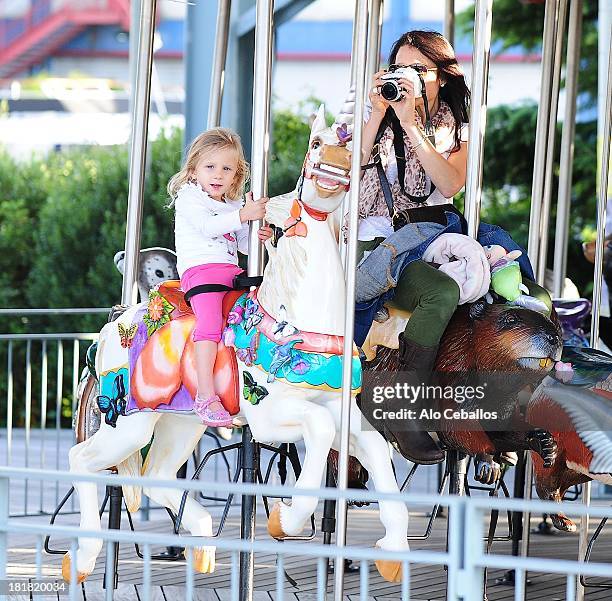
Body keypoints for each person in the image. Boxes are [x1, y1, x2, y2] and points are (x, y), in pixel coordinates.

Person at [357, 31, 549, 463]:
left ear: (442, 77)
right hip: (380, 240)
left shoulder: (454, 126)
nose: (404, 79)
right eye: (398, 68)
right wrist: (376, 115)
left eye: (418, 71)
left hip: (437, 233)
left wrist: (411, 125)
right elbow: (342, 180)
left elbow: (449, 183)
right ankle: (401, 406)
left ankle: (509, 403)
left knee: (528, 294)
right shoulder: (364, 115)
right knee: (439, 292)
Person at [168, 128, 272, 427]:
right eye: (210, 167)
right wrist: (243, 216)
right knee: (211, 323)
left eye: (226, 168)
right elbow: (207, 227)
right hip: (201, 272)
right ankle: (204, 394)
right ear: (194, 169)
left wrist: (258, 236)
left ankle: (246, 383)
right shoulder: (189, 198)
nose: (218, 174)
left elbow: (239, 244)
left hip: (232, 273)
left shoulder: (231, 205)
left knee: (259, 315)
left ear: (236, 175)